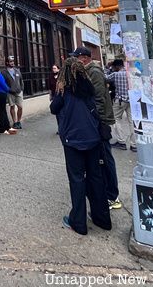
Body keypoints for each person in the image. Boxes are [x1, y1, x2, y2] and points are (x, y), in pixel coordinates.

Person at [50, 57, 111, 236]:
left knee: (77, 179)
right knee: (95, 177)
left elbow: (54, 108)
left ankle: (79, 222)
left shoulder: (64, 91)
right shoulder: (88, 88)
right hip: (93, 138)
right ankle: (102, 218)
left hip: (73, 140)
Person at [73, 46, 121, 210]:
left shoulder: (94, 72)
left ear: (84, 58)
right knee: (100, 157)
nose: (75, 60)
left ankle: (111, 195)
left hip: (99, 122)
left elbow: (98, 98)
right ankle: (105, 192)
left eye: (76, 57)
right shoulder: (90, 71)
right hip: (95, 121)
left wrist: (96, 120)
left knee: (105, 158)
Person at [106, 59, 135, 152]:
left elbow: (105, 78)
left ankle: (121, 141)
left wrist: (108, 68)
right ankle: (134, 144)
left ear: (116, 66)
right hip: (131, 99)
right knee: (132, 122)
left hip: (120, 100)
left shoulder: (116, 74)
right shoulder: (131, 73)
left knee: (116, 119)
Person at [1, 55, 24, 130]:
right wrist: (8, 90)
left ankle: (19, 121)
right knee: (12, 107)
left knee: (20, 107)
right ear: (7, 62)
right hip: (10, 92)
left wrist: (21, 88)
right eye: (10, 61)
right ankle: (15, 122)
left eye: (13, 62)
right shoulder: (4, 72)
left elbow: (21, 80)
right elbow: (3, 83)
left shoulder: (17, 70)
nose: (12, 63)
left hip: (19, 92)